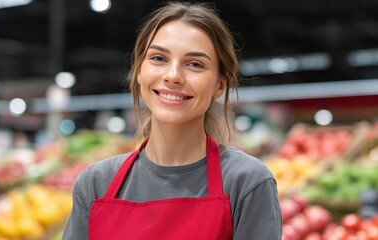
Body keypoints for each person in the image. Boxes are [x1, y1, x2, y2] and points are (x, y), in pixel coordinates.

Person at [62, 2, 282, 240]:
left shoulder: (247, 183)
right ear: (138, 72)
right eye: (158, 58)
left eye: (195, 64)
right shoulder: (96, 183)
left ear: (219, 85)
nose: (173, 76)